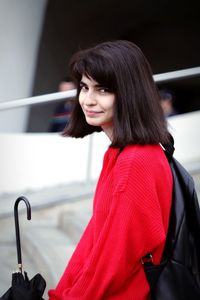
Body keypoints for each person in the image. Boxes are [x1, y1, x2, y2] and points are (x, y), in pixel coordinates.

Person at [48, 40, 173, 300]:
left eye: (103, 89)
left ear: (129, 93)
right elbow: (95, 239)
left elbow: (113, 261)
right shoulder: (118, 152)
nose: (88, 100)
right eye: (84, 87)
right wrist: (62, 292)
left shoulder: (136, 161)